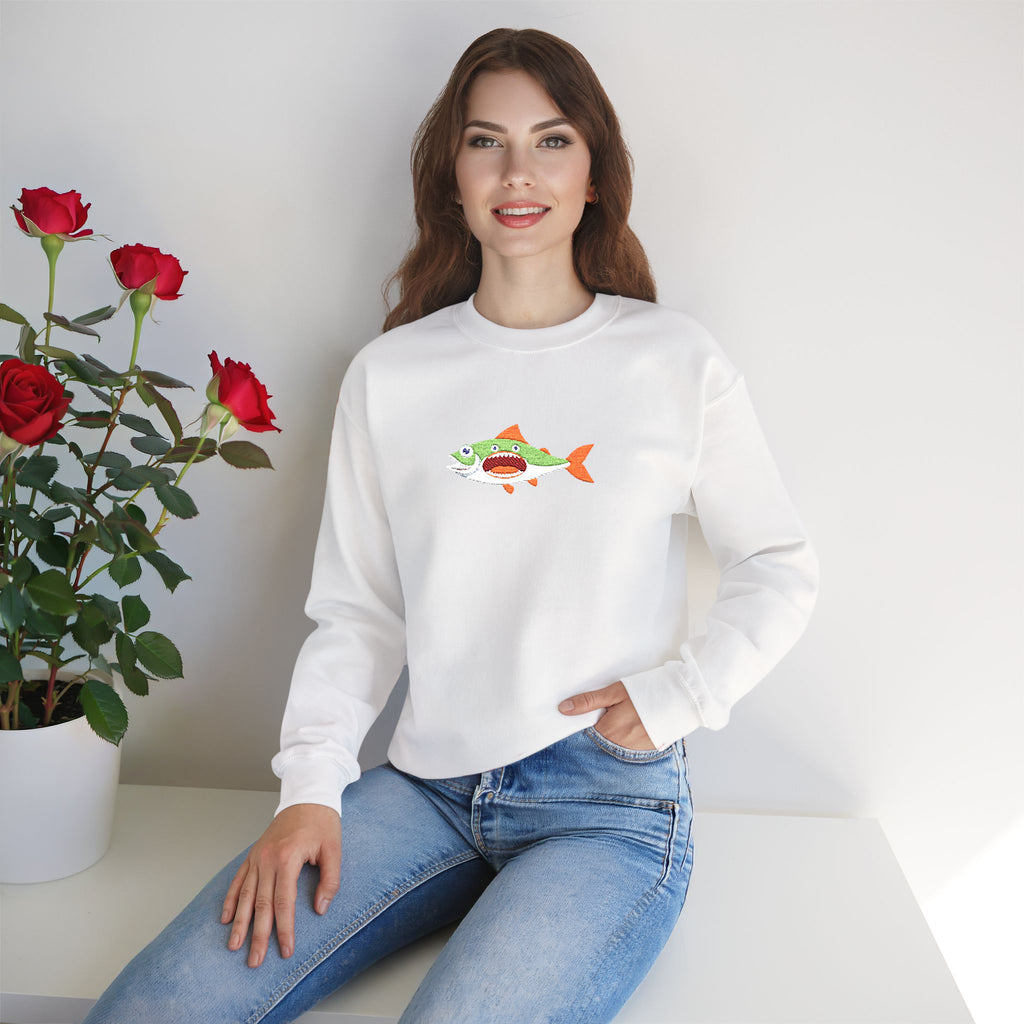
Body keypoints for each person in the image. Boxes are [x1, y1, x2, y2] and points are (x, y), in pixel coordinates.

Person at [84, 27, 818, 1024]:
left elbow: (777, 564)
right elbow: (358, 612)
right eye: (487, 142)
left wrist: (682, 692)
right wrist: (311, 786)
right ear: (452, 175)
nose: (519, 171)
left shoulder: (673, 361)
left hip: (605, 810)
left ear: (594, 170)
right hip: (426, 789)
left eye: (551, 140)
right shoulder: (393, 375)